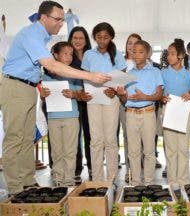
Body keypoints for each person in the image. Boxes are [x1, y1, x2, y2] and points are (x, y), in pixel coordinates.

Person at [0, 1, 111, 195]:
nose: (61, 24)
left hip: (27, 87)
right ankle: (15, 188)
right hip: (15, 86)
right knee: (15, 138)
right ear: (44, 17)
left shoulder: (40, 37)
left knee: (26, 139)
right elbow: (52, 66)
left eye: (62, 20)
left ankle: (27, 182)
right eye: (58, 19)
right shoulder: (31, 34)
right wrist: (90, 76)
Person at [81, 22, 127, 182]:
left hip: (111, 98)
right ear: (94, 37)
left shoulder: (118, 54)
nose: (102, 40)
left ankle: (112, 179)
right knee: (95, 139)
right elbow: (85, 76)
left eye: (105, 37)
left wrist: (114, 89)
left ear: (111, 37)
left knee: (110, 139)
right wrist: (84, 93)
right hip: (92, 99)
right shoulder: (88, 54)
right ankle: (97, 180)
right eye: (99, 37)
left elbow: (122, 76)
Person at [116, 40, 163, 186]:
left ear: (148, 53)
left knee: (149, 151)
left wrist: (144, 97)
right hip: (130, 114)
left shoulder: (155, 71)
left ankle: (149, 183)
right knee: (133, 151)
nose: (136, 55)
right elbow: (125, 100)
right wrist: (122, 94)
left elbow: (159, 95)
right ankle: (135, 183)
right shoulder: (128, 74)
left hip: (148, 113)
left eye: (140, 52)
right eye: (134, 51)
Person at [42, 41, 81, 186]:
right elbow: (43, 96)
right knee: (56, 152)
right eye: (65, 54)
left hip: (71, 117)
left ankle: (69, 181)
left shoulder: (74, 73)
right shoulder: (46, 75)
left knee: (70, 152)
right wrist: (43, 95)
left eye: (71, 54)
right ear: (56, 55)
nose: (69, 57)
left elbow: (82, 93)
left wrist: (74, 94)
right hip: (53, 118)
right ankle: (58, 181)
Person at [161, 38, 190, 192]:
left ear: (181, 56)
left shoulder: (188, 74)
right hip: (168, 111)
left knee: (183, 147)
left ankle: (183, 179)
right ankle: (172, 180)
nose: (169, 56)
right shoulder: (162, 73)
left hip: (184, 113)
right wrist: (162, 97)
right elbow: (159, 92)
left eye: (172, 54)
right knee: (170, 148)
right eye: (168, 53)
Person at [68, 26, 92, 184]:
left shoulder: (92, 56)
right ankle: (76, 168)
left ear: (86, 40)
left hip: (90, 99)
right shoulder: (66, 56)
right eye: (75, 38)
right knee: (74, 136)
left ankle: (92, 166)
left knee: (91, 134)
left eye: (81, 38)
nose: (77, 41)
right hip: (72, 100)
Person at [121, 33, 142, 183]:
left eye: (136, 43)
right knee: (128, 137)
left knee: (141, 139)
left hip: (141, 105)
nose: (132, 46)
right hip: (123, 103)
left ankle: (139, 170)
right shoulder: (119, 62)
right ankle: (129, 170)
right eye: (129, 43)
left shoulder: (145, 63)